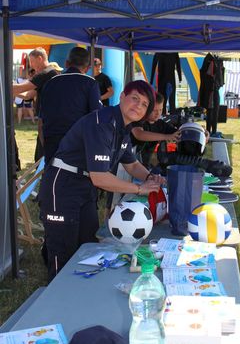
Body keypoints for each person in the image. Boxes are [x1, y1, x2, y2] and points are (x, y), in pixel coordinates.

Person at [38, 80, 163, 282]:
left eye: (144, 104)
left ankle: (80, 293)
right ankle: (57, 300)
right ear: (121, 97)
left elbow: (131, 164)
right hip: (62, 185)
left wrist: (151, 178)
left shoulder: (123, 127)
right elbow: (100, 177)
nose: (138, 106)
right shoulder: (103, 123)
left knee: (87, 245)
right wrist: (140, 188)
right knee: (62, 250)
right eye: (135, 99)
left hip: (85, 187)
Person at [40, 47, 102, 164]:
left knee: (53, 179)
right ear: (88, 68)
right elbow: (96, 118)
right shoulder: (90, 83)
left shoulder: (50, 83)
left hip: (52, 142)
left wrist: (46, 146)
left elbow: (41, 121)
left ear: (66, 63)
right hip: (77, 144)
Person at [131, 92, 180, 168]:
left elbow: (178, 132)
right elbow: (139, 134)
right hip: (127, 164)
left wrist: (201, 132)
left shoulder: (161, 124)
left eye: (160, 110)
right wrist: (166, 137)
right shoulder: (137, 120)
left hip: (144, 165)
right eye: (154, 110)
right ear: (146, 108)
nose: (158, 113)